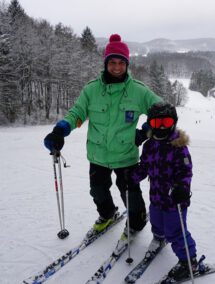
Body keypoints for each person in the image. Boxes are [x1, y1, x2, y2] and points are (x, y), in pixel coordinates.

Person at [44, 34, 161, 234]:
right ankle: (108, 214)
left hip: (125, 155)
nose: (117, 67)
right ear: (106, 63)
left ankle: (138, 220)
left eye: (121, 63)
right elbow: (77, 113)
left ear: (127, 64)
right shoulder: (91, 90)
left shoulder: (138, 91)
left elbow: (163, 111)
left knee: (130, 194)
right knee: (97, 191)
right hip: (98, 155)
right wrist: (60, 130)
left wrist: (145, 132)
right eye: (112, 62)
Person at [126, 102, 203, 281]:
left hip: (174, 201)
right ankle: (159, 238)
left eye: (166, 122)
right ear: (150, 124)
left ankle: (189, 261)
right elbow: (145, 166)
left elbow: (186, 172)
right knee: (156, 221)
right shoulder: (149, 145)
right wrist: (132, 177)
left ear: (173, 123)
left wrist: (182, 188)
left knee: (175, 231)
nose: (161, 127)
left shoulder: (179, 147)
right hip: (156, 198)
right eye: (156, 123)